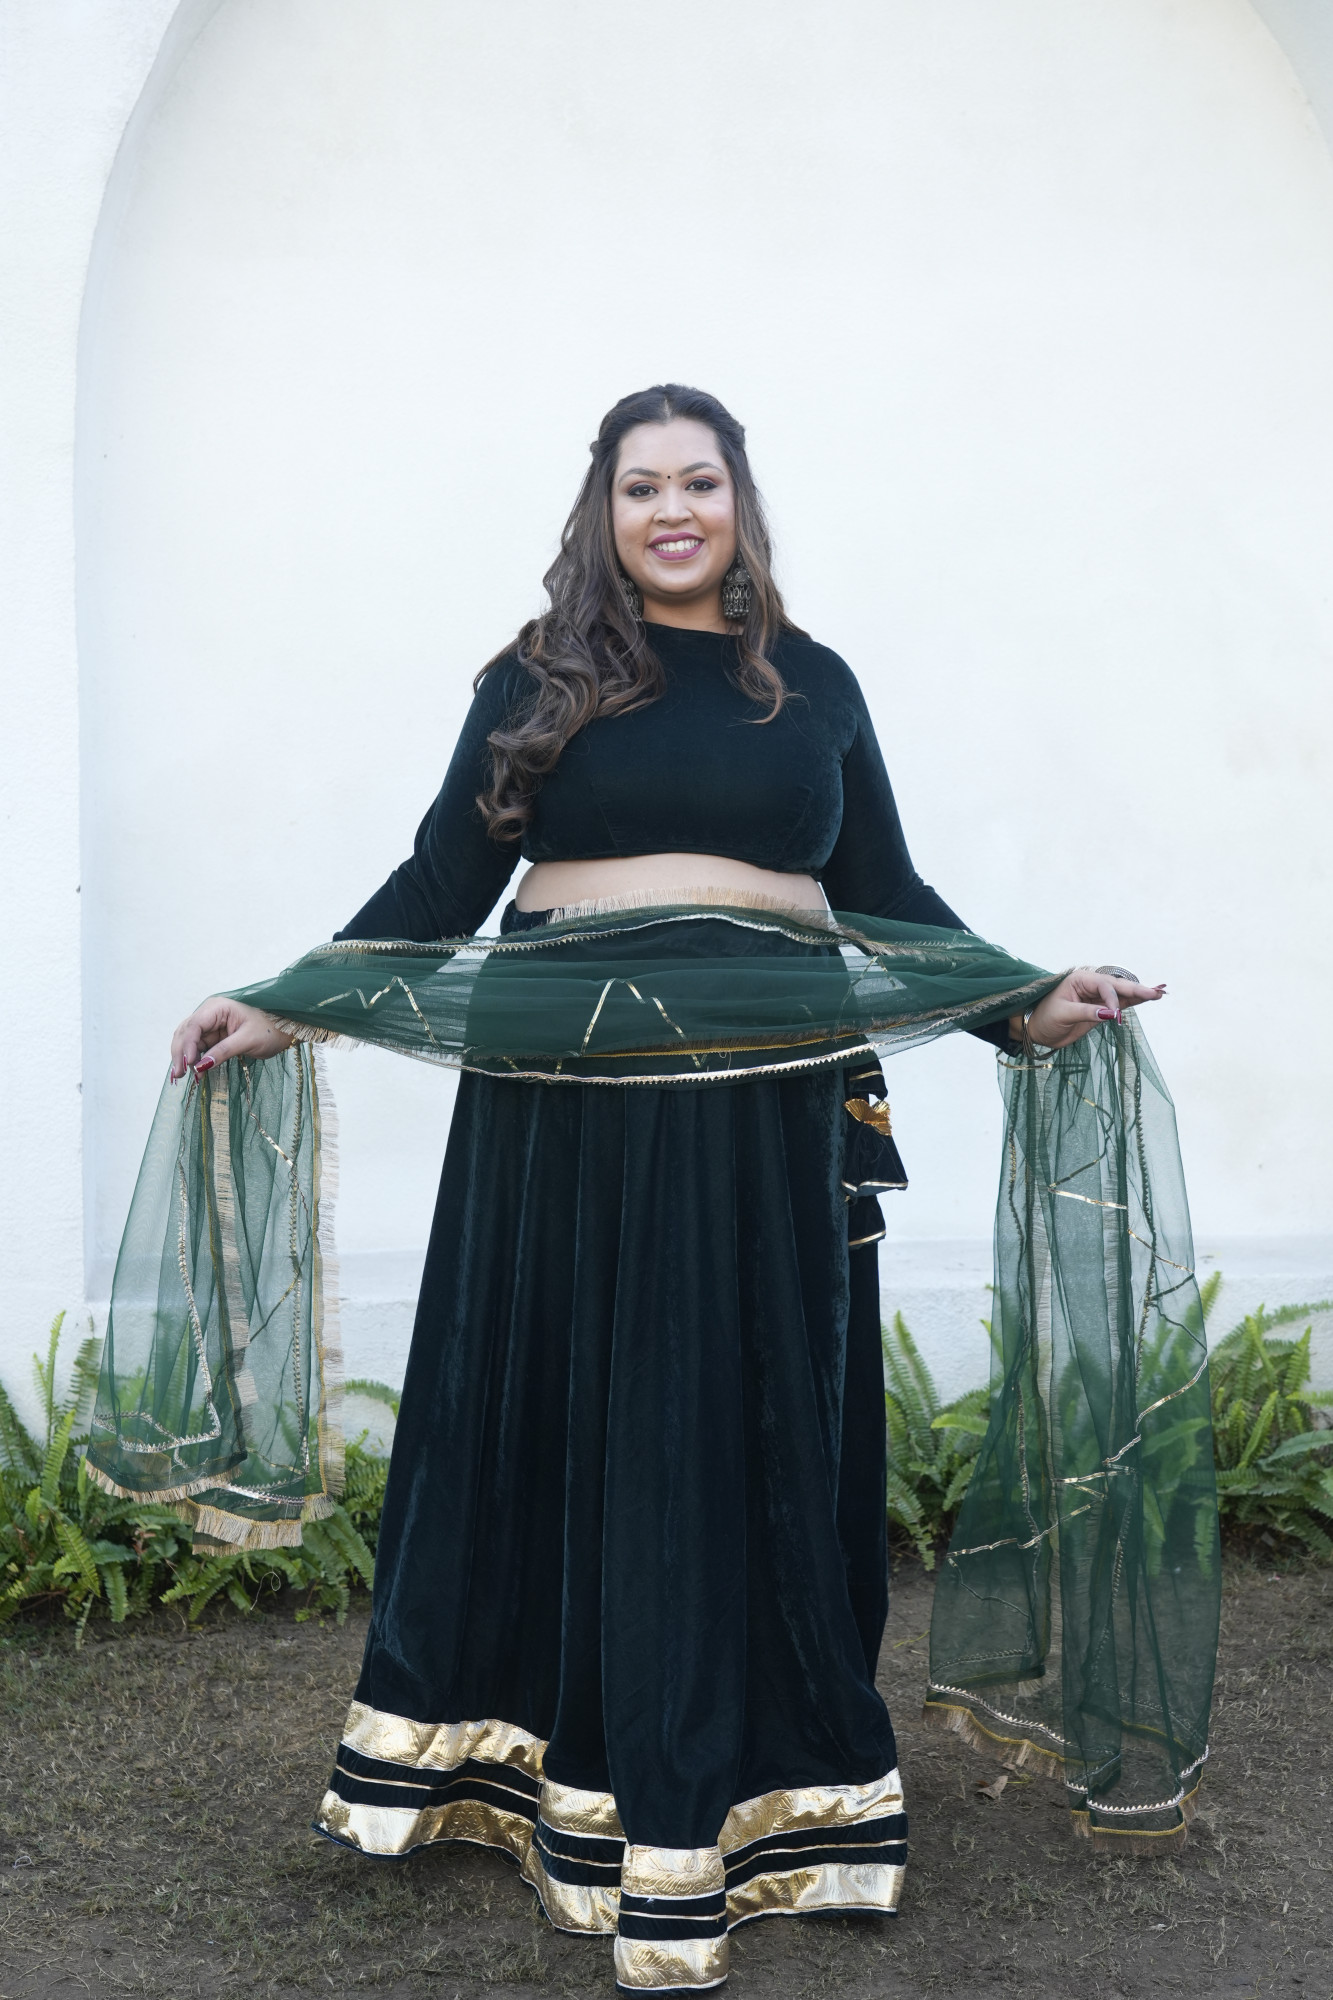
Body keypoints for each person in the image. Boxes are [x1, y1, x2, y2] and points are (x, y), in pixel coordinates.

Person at [167, 385, 1163, 1995]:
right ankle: (530, 1766)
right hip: (563, 1123)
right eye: (642, 487)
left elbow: (886, 896)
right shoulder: (538, 678)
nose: (672, 510)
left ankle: (763, 1779)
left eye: (699, 482)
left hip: (766, 1119)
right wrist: (285, 999)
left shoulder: (814, 688)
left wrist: (1022, 998)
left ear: (738, 502)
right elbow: (440, 881)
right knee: (569, 1405)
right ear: (603, 513)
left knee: (740, 1412)